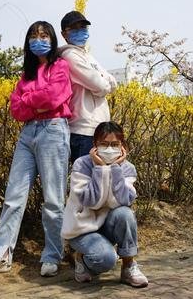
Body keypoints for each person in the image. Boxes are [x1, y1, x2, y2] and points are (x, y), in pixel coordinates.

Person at [0, 21, 72, 277]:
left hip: (53, 130)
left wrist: (31, 101)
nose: (39, 39)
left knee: (53, 199)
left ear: (52, 40)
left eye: (44, 35)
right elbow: (16, 110)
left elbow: (54, 98)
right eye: (34, 36)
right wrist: (34, 103)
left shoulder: (60, 67)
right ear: (27, 42)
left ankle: (52, 255)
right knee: (13, 196)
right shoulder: (25, 76)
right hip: (28, 132)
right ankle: (0, 255)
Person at [61, 121, 148, 288]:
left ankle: (129, 266)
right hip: (82, 229)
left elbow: (125, 200)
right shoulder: (82, 164)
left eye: (115, 144)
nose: (109, 149)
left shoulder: (128, 168)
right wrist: (101, 168)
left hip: (106, 225)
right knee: (106, 260)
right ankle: (81, 259)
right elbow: (91, 202)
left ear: (122, 146)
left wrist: (115, 168)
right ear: (94, 145)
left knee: (125, 213)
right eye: (104, 144)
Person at [58, 10, 118, 163]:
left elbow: (113, 82)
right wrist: (103, 82)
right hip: (83, 129)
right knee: (85, 181)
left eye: (83, 28)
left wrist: (103, 82)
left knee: (100, 180)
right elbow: (101, 86)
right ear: (64, 34)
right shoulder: (69, 56)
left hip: (99, 129)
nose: (81, 32)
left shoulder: (87, 56)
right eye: (75, 29)